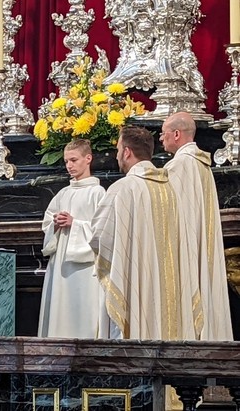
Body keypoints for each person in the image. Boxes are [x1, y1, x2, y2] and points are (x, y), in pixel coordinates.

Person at [90, 126, 200, 340]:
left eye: (118, 149)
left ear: (127, 152)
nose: (116, 155)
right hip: (173, 294)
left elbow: (100, 236)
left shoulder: (123, 189)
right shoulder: (173, 191)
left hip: (134, 288)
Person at [161, 112, 233, 341]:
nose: (161, 140)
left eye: (163, 134)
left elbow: (169, 216)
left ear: (176, 134)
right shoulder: (202, 165)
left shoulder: (179, 166)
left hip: (186, 252)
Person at [37, 139, 105, 338]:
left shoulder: (98, 193)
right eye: (67, 161)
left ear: (88, 159)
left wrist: (75, 224)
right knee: (60, 310)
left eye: (74, 160)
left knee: (84, 312)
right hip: (60, 266)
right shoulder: (63, 193)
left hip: (85, 268)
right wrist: (55, 225)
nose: (69, 165)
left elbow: (102, 231)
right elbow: (47, 225)